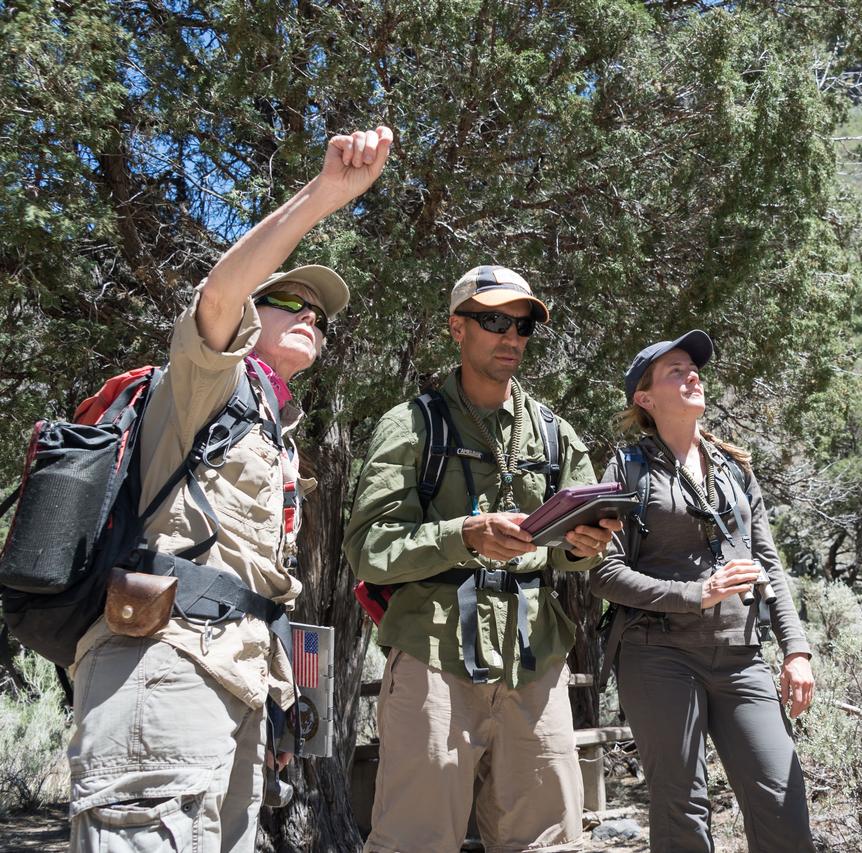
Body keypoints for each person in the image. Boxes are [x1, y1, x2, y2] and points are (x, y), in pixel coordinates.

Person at [66, 126, 395, 852]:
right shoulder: (207, 382)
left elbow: (258, 583)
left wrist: (279, 706)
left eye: (320, 311)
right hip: (162, 670)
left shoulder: (278, 429)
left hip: (239, 686)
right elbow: (220, 292)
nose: (311, 313)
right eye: (289, 298)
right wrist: (325, 196)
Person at [343, 265, 622, 853]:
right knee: (415, 842)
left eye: (522, 325)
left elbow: (582, 557)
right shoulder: (412, 425)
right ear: (456, 328)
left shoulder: (554, 435)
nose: (511, 336)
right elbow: (368, 550)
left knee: (552, 842)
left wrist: (583, 546)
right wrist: (463, 536)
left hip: (536, 661)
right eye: (494, 320)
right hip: (433, 657)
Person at [590, 330, 816, 853]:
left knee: (782, 798)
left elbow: (768, 565)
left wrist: (796, 650)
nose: (693, 374)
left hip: (741, 655)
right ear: (644, 398)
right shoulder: (627, 470)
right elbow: (605, 572)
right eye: (676, 370)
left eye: (694, 367)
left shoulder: (735, 468)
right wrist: (697, 593)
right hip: (657, 655)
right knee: (682, 810)